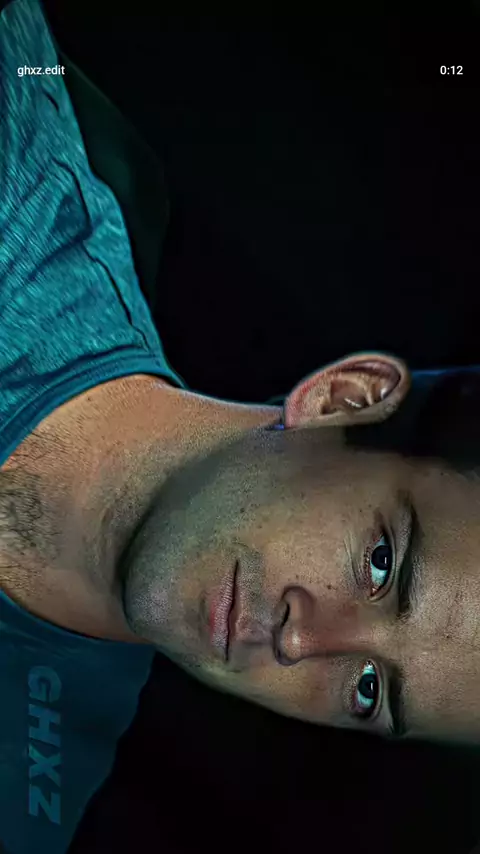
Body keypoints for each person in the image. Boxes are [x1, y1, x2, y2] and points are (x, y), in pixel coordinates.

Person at [3, 0, 480, 852]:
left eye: (369, 690)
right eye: (380, 564)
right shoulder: (16, 183)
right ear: (343, 399)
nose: (302, 641)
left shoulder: (32, 807)